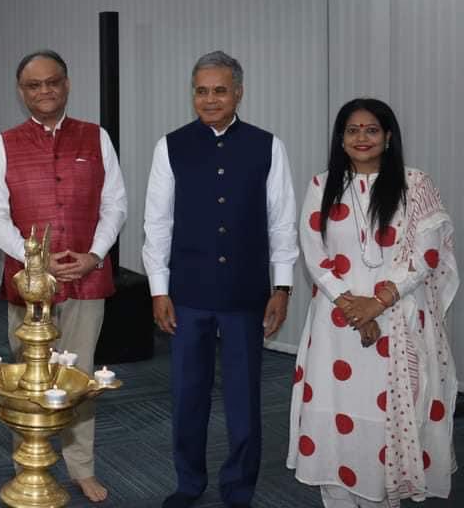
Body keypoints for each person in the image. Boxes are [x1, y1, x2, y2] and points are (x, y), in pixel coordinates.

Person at [142, 51, 298, 508]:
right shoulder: (169, 146)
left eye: (220, 90)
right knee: (188, 397)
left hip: (245, 293)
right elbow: (157, 224)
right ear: (193, 93)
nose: (210, 99)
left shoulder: (268, 145)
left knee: (244, 400)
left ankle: (239, 488)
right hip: (187, 294)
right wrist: (158, 289)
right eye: (201, 90)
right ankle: (189, 483)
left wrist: (282, 288)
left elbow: (282, 223)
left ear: (239, 93)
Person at [287, 98, 457, 508]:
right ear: (341, 139)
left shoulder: (415, 185)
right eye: (352, 130)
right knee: (335, 407)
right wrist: (352, 307)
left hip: (397, 321)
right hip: (335, 324)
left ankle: (383, 497)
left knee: (386, 417)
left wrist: (376, 304)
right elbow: (314, 253)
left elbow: (426, 255)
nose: (361, 137)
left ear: (388, 137)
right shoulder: (321, 184)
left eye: (371, 129)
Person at [0, 49, 127, 503]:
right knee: (28, 379)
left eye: (52, 82)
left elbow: (114, 204)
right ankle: (28, 466)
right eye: (33, 85)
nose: (44, 91)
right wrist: (33, 259)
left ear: (66, 84)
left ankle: (81, 468)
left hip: (86, 277)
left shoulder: (96, 137)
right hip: (29, 283)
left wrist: (95, 254)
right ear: (21, 92)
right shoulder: (3, 144)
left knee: (78, 378)